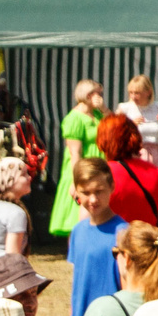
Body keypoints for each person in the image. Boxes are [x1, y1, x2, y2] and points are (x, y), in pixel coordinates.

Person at [59, 160, 124, 316]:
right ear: (76, 192)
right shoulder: (77, 232)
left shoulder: (123, 233)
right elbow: (78, 284)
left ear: (111, 187)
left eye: (99, 191)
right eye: (86, 193)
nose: (93, 199)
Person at [97, 114, 158, 240]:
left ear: (104, 140)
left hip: (111, 245)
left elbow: (87, 221)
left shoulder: (101, 174)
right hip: (146, 246)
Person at [47, 80, 106, 239]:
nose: (101, 97)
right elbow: (75, 153)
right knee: (77, 220)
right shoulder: (75, 118)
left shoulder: (97, 114)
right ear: (88, 95)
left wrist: (104, 109)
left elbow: (114, 125)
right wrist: (76, 180)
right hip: (82, 169)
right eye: (98, 93)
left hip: (97, 169)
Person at [118, 74, 158, 171]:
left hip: (155, 155)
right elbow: (115, 137)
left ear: (148, 92)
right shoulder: (124, 108)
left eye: (137, 93)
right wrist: (130, 126)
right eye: (131, 92)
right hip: (134, 155)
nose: (133, 97)